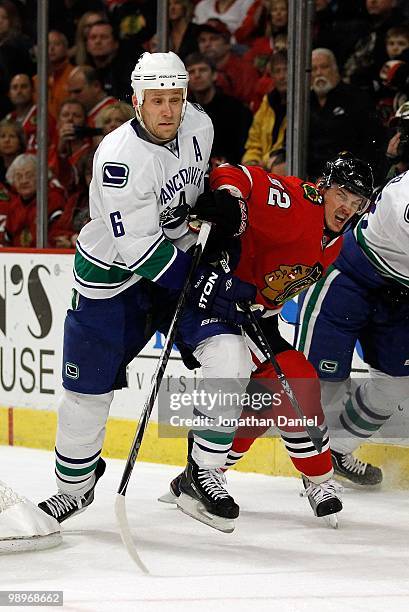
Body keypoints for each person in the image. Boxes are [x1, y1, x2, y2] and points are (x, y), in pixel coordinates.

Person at [37, 51, 227, 525]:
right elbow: (139, 249)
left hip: (172, 262)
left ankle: (203, 474)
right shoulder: (119, 157)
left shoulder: (198, 124)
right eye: (158, 100)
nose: (169, 110)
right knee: (86, 394)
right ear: (138, 101)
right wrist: (198, 275)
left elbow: (200, 183)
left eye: (176, 99)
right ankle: (75, 488)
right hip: (112, 281)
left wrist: (218, 206)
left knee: (228, 356)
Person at [161, 152, 374, 530]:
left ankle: (201, 474)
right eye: (343, 195)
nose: (348, 208)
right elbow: (235, 174)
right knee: (294, 379)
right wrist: (228, 196)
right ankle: (316, 479)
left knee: (266, 399)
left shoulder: (338, 239)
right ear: (325, 186)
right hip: (219, 301)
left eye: (357, 203)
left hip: (255, 316)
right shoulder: (299, 202)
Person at [295, 169, 409, 487]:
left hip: (399, 295)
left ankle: (336, 450)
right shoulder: (405, 201)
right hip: (348, 280)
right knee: (318, 383)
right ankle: (209, 464)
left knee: (396, 385)